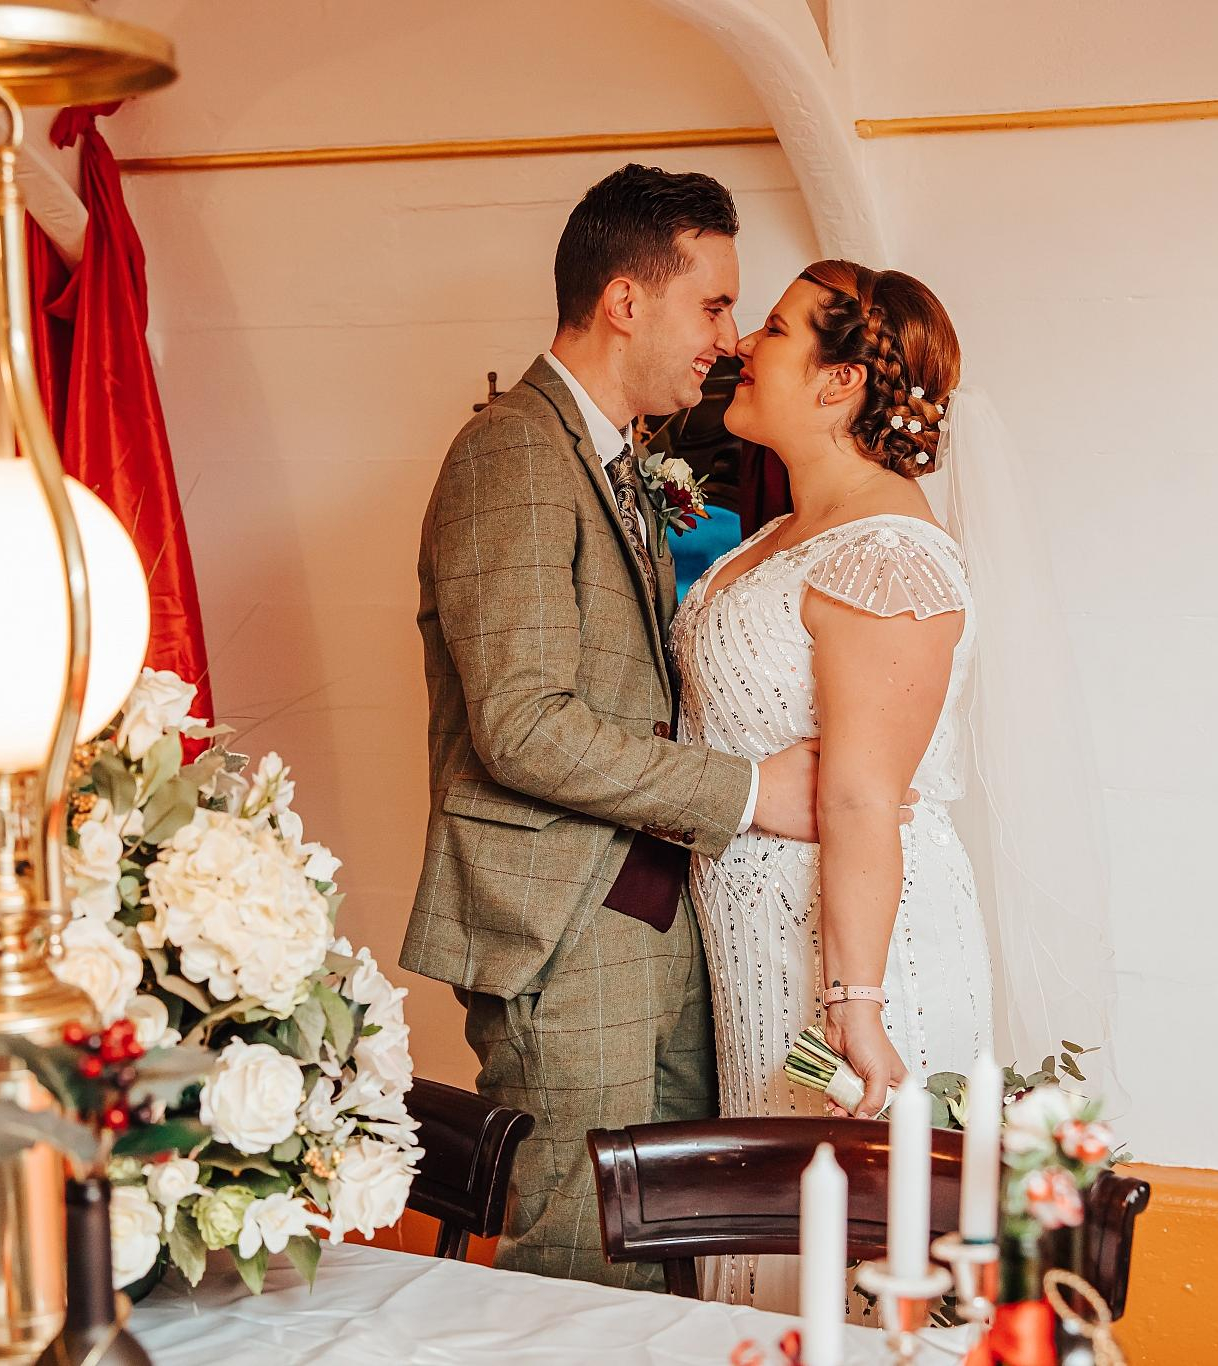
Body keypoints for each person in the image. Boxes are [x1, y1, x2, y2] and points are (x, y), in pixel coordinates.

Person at [400, 164, 821, 1288]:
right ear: (625, 301)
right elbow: (524, 727)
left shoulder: (617, 454)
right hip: (563, 932)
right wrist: (746, 792)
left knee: (674, 1260)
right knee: (581, 1266)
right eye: (715, 303)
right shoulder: (512, 454)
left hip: (651, 920)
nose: (728, 338)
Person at [674, 259, 992, 1308]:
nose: (738, 347)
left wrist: (855, 1003)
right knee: (770, 1243)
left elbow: (861, 797)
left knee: (842, 1257)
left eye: (770, 328)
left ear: (836, 381)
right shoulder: (779, 535)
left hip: (856, 954)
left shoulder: (886, 557)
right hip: (758, 931)